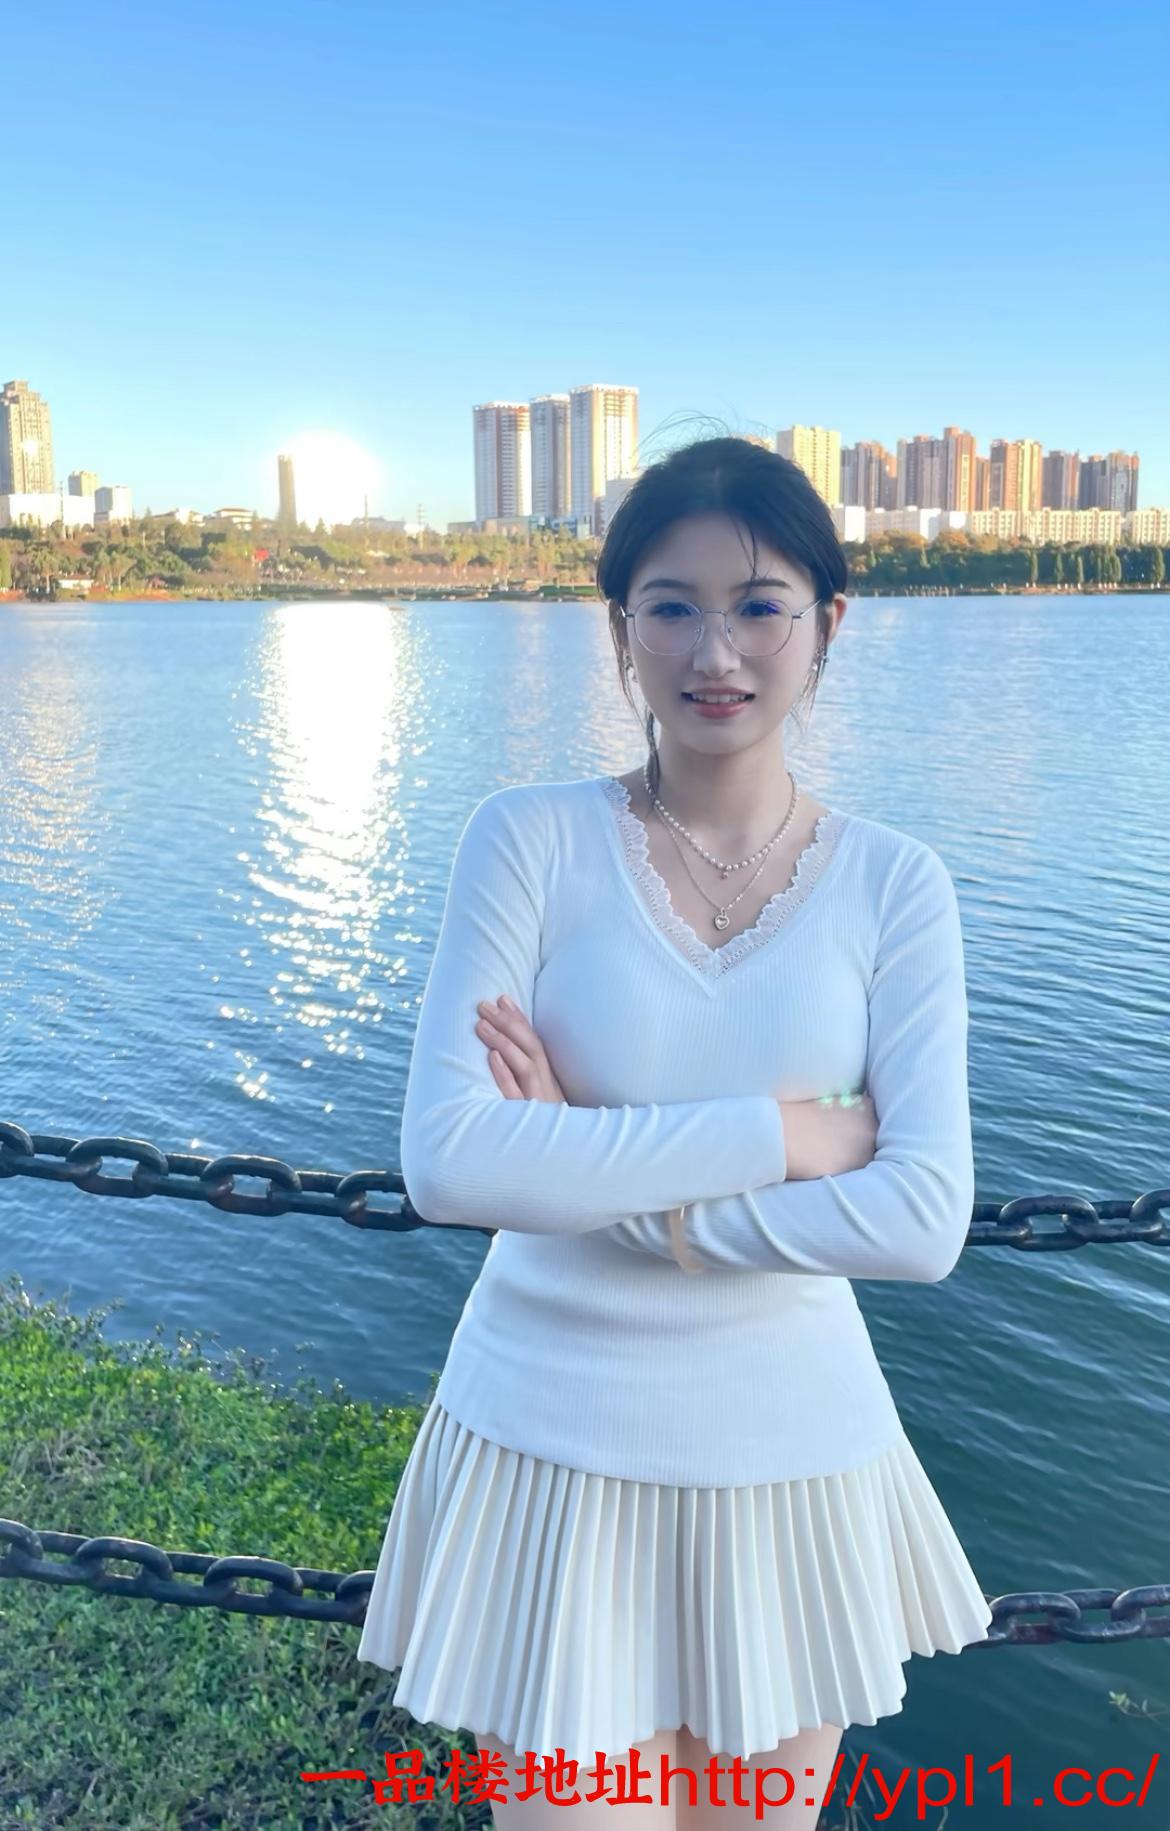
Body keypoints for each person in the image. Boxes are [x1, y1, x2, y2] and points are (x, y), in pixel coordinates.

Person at [357, 435, 993, 1827]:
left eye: (759, 605)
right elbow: (451, 1160)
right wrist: (779, 1132)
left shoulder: (897, 886)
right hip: (547, 1448)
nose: (716, 651)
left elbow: (918, 1220)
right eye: (670, 607)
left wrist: (589, 1167)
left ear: (828, 623)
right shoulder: (526, 840)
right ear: (619, 629)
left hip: (794, 1460)